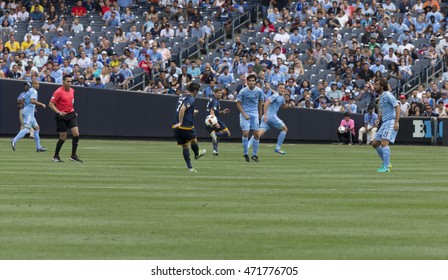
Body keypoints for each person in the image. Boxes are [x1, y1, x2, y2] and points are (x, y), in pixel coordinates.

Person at [249, 83, 293, 154]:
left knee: (259, 133)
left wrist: (290, 105)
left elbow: (283, 106)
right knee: (285, 129)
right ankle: (277, 148)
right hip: (270, 116)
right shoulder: (275, 95)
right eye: (280, 88)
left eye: (283, 88)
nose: (282, 89)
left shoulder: (281, 97)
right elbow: (266, 103)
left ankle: (248, 144)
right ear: (277, 89)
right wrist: (266, 115)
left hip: (266, 118)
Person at [172, 82, 206, 172]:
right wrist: (180, 122)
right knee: (194, 139)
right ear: (195, 91)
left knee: (185, 146)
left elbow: (182, 109)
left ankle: (190, 168)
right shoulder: (191, 98)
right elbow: (183, 109)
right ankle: (197, 154)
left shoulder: (182, 96)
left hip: (175, 126)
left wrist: (192, 112)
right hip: (185, 126)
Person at [48, 75, 83, 163]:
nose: (69, 83)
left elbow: (71, 103)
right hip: (61, 116)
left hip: (71, 114)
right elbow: (51, 104)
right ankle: (55, 156)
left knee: (76, 134)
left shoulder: (72, 90)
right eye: (68, 81)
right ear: (63, 81)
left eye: (70, 81)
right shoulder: (58, 91)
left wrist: (73, 111)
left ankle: (73, 155)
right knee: (63, 138)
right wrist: (58, 112)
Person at [372, 78, 400, 173]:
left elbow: (397, 107)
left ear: (382, 86)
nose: (374, 86)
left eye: (376, 84)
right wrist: (378, 119)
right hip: (384, 122)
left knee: (384, 143)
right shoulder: (381, 97)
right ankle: (386, 162)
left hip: (391, 121)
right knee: (375, 143)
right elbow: (382, 110)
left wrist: (396, 122)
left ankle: (386, 167)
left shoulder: (388, 95)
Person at [10, 81, 47, 152]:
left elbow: (22, 100)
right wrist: (41, 104)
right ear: (33, 85)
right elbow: (32, 101)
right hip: (29, 113)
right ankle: (14, 140)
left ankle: (38, 147)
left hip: (29, 112)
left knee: (37, 128)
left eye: (38, 84)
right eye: (36, 84)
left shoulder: (28, 91)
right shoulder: (34, 91)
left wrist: (27, 106)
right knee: (27, 129)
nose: (38, 85)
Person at [236, 74, 263, 162]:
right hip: (245, 113)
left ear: (255, 82)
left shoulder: (259, 91)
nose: (251, 82)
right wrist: (244, 114)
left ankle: (254, 155)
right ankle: (246, 153)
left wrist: (260, 114)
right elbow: (238, 104)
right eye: (250, 81)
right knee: (246, 133)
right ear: (247, 82)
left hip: (254, 114)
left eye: (253, 81)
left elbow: (260, 102)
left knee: (257, 134)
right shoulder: (243, 91)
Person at [206, 88, 231, 156]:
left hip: (207, 120)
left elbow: (214, 111)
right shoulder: (215, 101)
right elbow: (212, 111)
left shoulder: (212, 99)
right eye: (218, 93)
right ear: (214, 93)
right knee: (227, 133)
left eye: (221, 93)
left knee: (216, 136)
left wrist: (222, 112)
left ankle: (215, 150)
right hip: (213, 120)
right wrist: (216, 123)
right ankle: (216, 134)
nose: (220, 94)